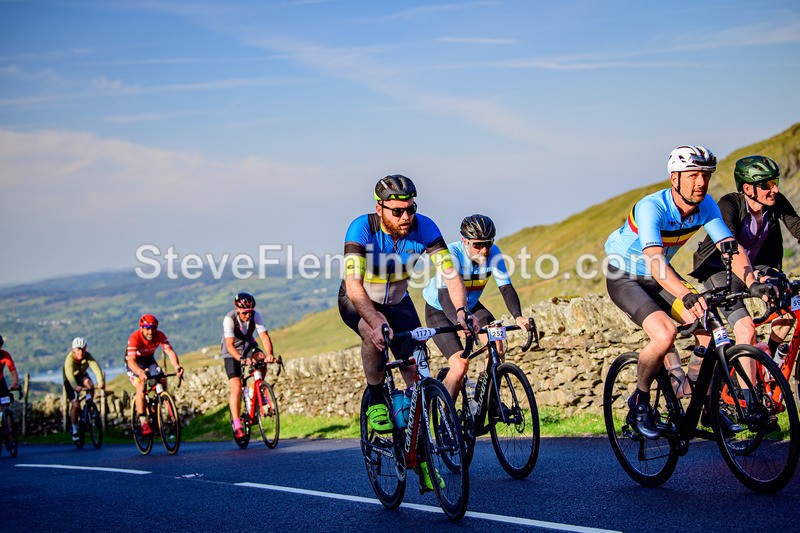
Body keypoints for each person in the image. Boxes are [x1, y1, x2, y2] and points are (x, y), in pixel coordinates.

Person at [603, 145, 774, 439]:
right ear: (675, 178)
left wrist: (753, 283)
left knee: (710, 329)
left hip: (661, 275)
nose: (701, 182)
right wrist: (686, 294)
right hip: (625, 276)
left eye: (706, 175)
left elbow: (731, 249)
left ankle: (704, 404)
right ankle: (639, 401)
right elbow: (656, 264)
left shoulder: (706, 205)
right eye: (693, 175)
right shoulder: (651, 207)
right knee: (664, 333)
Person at [339, 174, 477, 491]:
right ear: (380, 208)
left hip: (399, 303)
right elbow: (353, 285)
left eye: (411, 209)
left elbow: (450, 273)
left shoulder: (424, 227)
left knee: (417, 373)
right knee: (372, 333)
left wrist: (461, 310)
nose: (406, 217)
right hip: (359, 301)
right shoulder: (361, 228)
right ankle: (376, 398)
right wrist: (375, 321)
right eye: (398, 211)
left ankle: (421, 455)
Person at [692, 155, 799, 354]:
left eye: (775, 182)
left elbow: (798, 228)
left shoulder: (775, 201)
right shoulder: (729, 204)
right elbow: (729, 248)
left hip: (756, 266)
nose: (775, 189)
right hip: (721, 270)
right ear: (748, 188)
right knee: (746, 329)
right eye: (768, 184)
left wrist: (761, 274)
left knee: (791, 303)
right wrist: (755, 278)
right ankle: (747, 375)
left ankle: (770, 359)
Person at [423, 214, 532, 399]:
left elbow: (505, 287)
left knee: (496, 344)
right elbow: (444, 295)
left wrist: (518, 316)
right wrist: (458, 323)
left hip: (471, 306)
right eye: (478, 245)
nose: (484, 250)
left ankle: (487, 397)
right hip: (440, 309)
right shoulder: (451, 254)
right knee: (460, 365)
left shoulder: (494, 253)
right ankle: (447, 414)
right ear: (465, 241)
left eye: (488, 244)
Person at [221, 292, 276, 439]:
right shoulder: (229, 319)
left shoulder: (256, 316)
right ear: (237, 309)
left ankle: (257, 389)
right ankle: (237, 425)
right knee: (236, 386)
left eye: (250, 312)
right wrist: (241, 359)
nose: (248, 315)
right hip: (231, 352)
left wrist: (270, 354)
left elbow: (264, 336)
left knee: (261, 359)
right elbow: (229, 345)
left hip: (247, 346)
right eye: (245, 313)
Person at [125, 314, 184, 437]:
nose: (150, 332)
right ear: (141, 328)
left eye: (153, 328)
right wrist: (140, 372)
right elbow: (131, 361)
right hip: (135, 363)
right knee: (141, 385)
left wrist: (177, 366)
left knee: (162, 379)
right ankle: (143, 422)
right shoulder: (134, 337)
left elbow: (169, 351)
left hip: (149, 360)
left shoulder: (159, 335)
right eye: (147, 328)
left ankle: (158, 403)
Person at [63, 337, 105, 443]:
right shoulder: (69, 359)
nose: (81, 352)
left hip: (81, 375)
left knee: (90, 384)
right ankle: (74, 429)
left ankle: (89, 404)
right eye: (78, 349)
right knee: (76, 405)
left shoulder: (87, 356)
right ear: (73, 349)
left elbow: (96, 368)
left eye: (83, 349)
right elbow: (69, 375)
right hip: (69, 379)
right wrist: (75, 386)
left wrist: (100, 382)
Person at [0, 334, 20, 400]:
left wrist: (14, 383)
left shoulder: (5, 354)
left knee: (6, 401)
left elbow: (13, 371)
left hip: (1, 381)